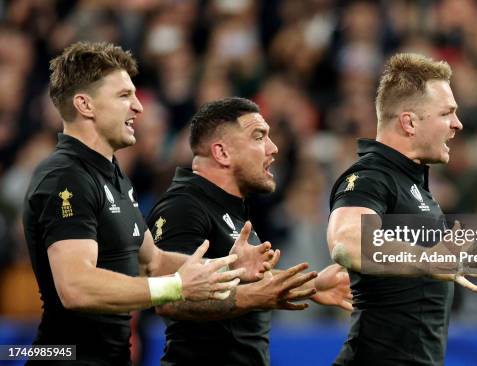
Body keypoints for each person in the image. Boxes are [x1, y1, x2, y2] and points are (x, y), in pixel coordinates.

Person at [22, 42, 254, 365]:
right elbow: (75, 286)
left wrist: (229, 266)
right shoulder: (66, 177)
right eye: (123, 96)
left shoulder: (112, 173)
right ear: (85, 104)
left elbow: (151, 262)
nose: (138, 107)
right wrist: (174, 287)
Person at [326, 53, 477, 365]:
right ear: (409, 122)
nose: (457, 124)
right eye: (447, 113)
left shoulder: (412, 182)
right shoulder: (371, 177)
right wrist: (428, 259)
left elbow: (428, 257)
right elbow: (346, 240)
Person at [147, 97, 353, 366]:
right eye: (259, 137)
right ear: (222, 153)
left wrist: (313, 286)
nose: (273, 148)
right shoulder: (183, 206)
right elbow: (169, 299)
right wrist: (256, 297)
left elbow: (237, 278)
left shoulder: (229, 208)